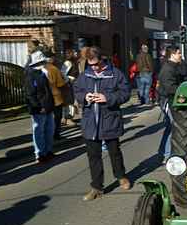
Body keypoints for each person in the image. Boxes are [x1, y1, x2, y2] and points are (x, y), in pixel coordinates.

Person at [74, 46, 131, 201]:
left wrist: (108, 98)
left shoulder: (115, 74)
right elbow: (77, 91)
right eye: (91, 65)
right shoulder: (84, 76)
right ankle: (97, 187)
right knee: (93, 156)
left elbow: (125, 93)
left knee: (114, 152)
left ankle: (121, 176)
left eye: (96, 64)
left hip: (110, 120)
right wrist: (85, 97)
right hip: (90, 122)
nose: (94, 67)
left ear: (102, 59)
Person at [157, 46, 187, 163]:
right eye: (178, 54)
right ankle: (167, 155)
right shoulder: (167, 69)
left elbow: (182, 78)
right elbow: (170, 88)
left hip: (172, 99)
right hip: (167, 100)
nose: (180, 56)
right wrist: (185, 91)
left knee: (170, 126)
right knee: (174, 126)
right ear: (172, 55)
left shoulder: (174, 66)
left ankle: (163, 152)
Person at [25, 51, 55, 164]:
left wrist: (50, 105)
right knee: (39, 131)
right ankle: (40, 154)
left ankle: (48, 151)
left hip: (47, 106)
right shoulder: (30, 74)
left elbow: (47, 91)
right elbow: (30, 94)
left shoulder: (42, 73)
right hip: (39, 108)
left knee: (49, 130)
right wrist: (38, 106)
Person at [45, 54, 67, 140]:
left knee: (47, 118)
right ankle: (56, 134)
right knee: (57, 117)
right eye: (53, 57)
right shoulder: (54, 69)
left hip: (45, 98)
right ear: (51, 59)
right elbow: (60, 83)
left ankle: (47, 134)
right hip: (56, 96)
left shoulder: (41, 69)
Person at [60, 49, 78, 126]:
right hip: (68, 85)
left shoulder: (74, 62)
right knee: (70, 101)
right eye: (74, 53)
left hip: (71, 84)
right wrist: (70, 78)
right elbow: (62, 74)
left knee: (70, 101)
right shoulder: (68, 63)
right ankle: (68, 118)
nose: (76, 54)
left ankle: (65, 118)